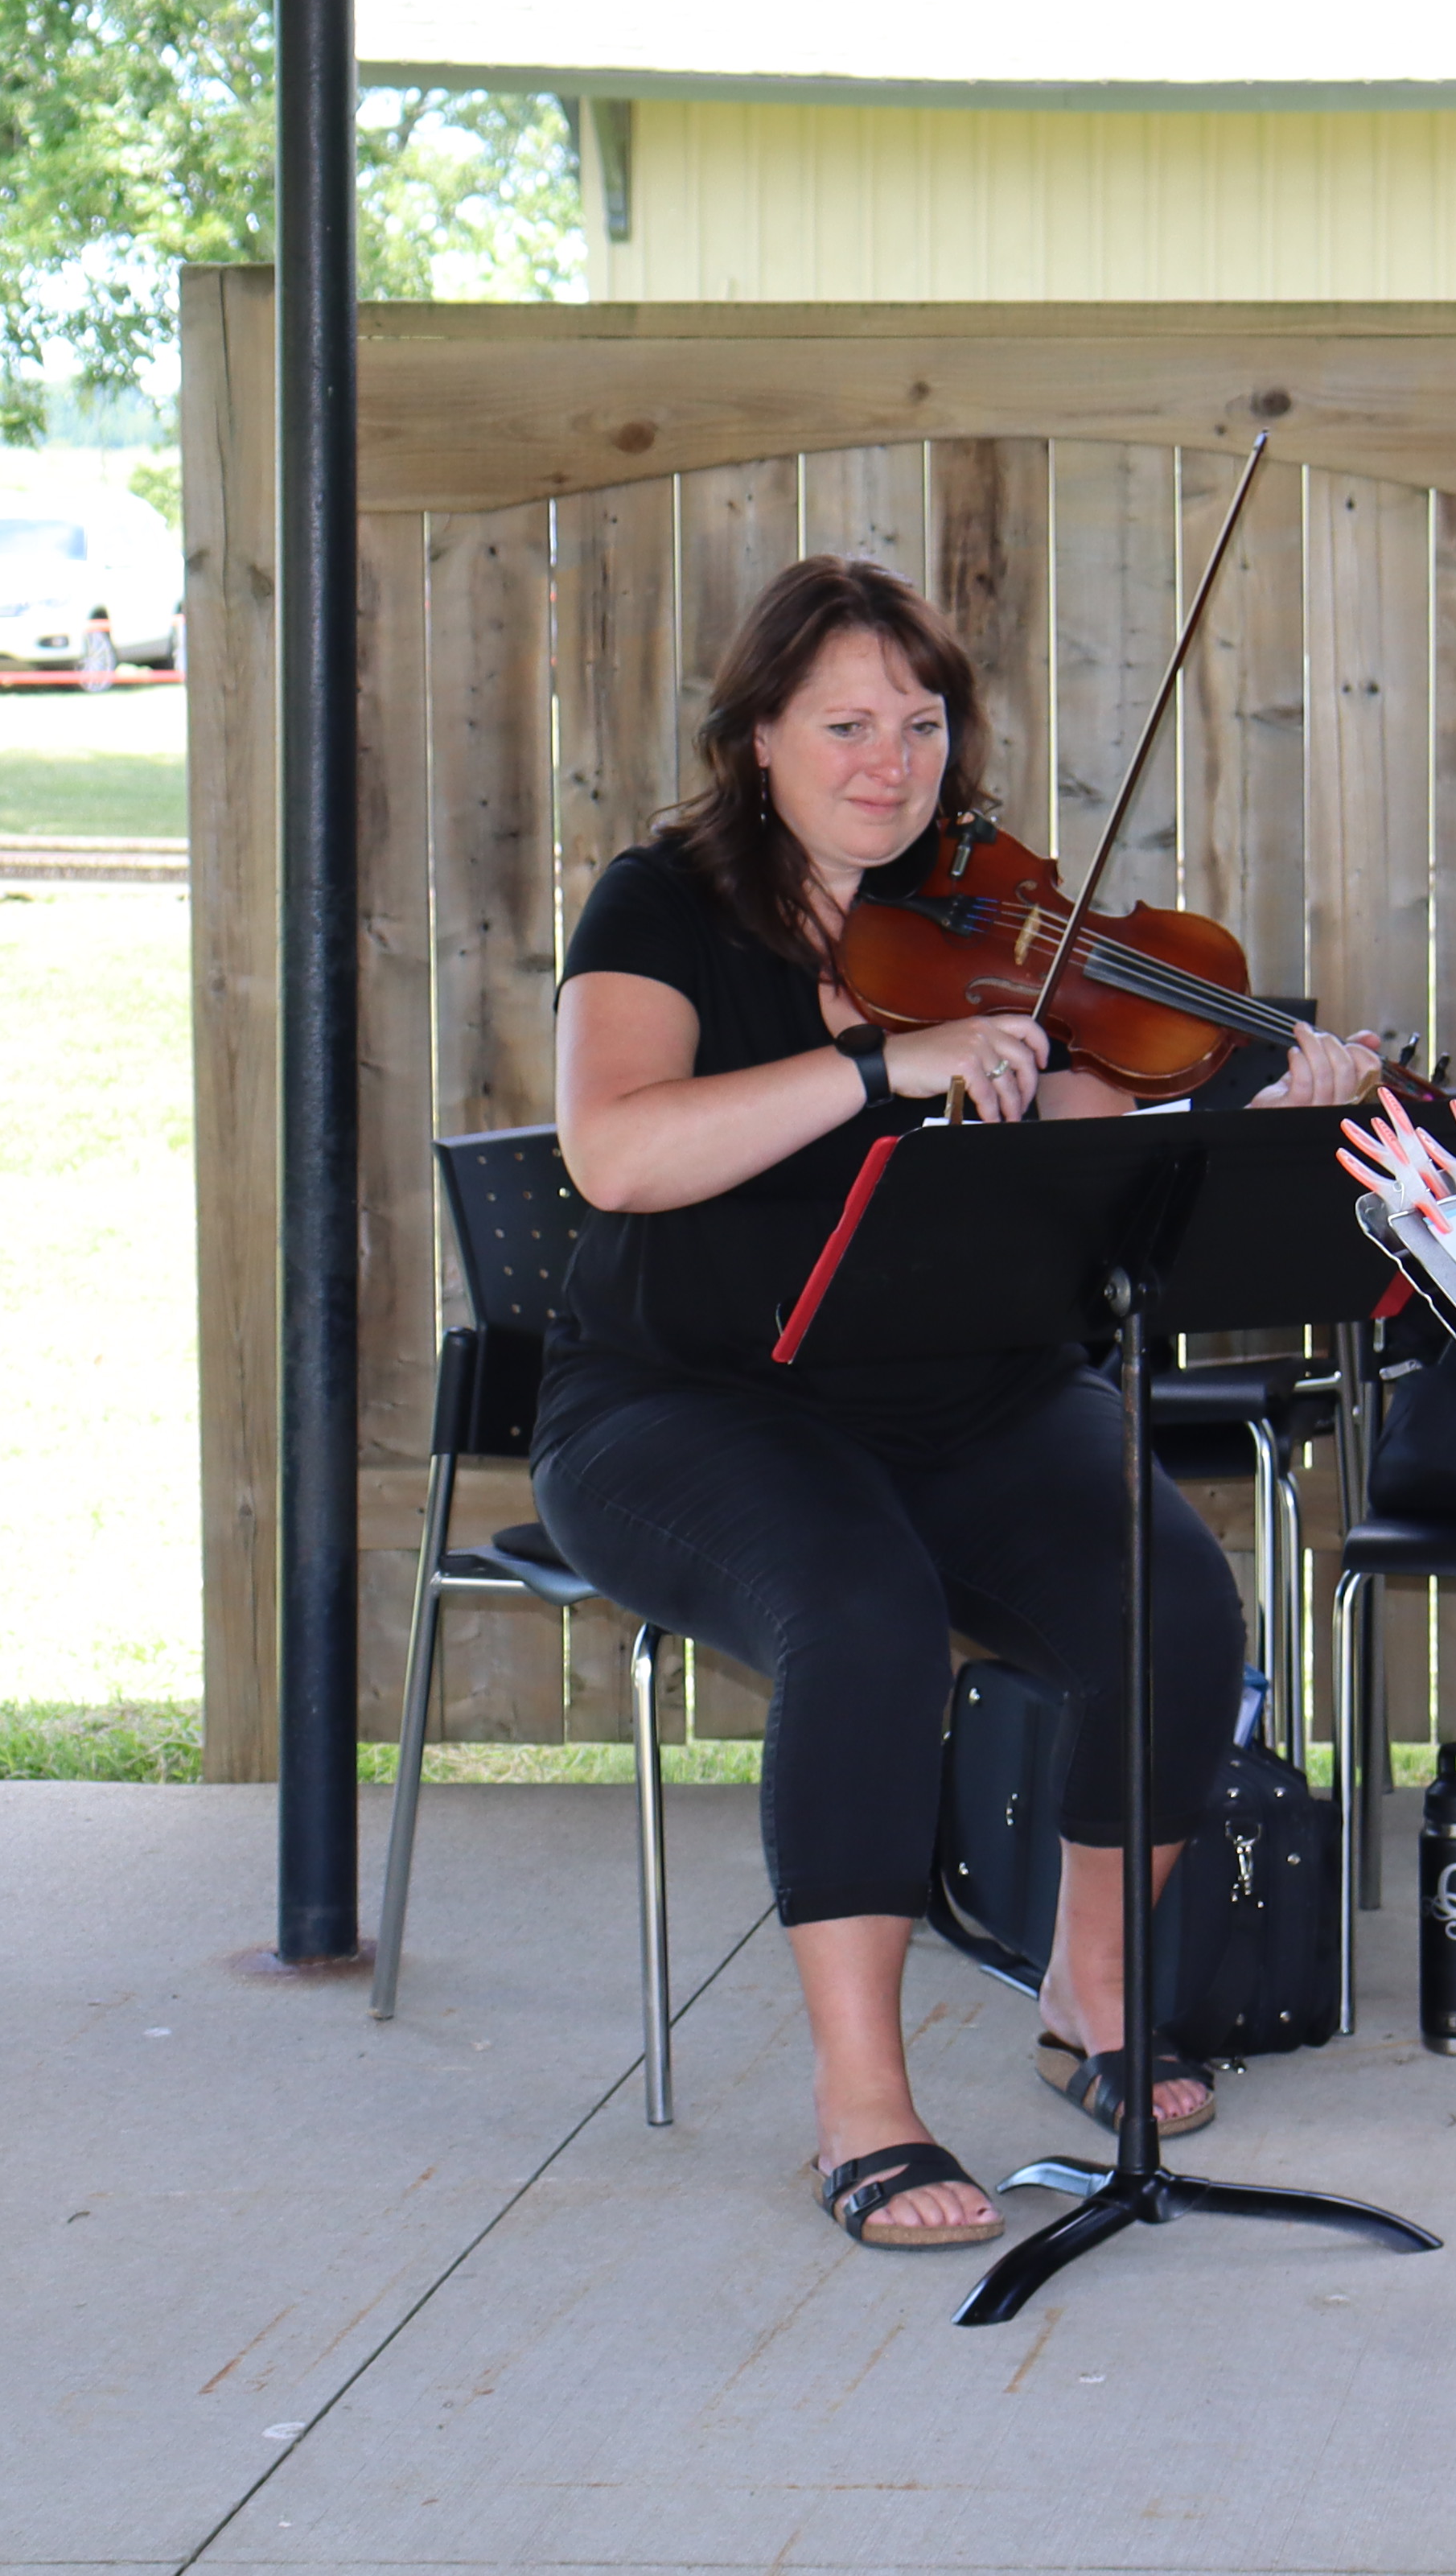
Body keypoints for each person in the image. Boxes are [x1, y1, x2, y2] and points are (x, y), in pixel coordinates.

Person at [538, 553, 1384, 2253]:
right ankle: (865, 2100)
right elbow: (615, 1149)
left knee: (1172, 1600)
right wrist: (871, 1063)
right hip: (689, 1406)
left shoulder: (994, 922)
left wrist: (1262, 1105)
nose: (888, 760)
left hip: (969, 1388)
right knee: (863, 1614)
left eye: (920, 722)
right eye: (843, 721)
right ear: (756, 736)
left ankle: (1091, 1990)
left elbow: (1089, 1125)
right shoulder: (662, 906)